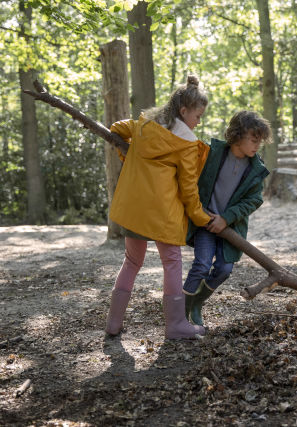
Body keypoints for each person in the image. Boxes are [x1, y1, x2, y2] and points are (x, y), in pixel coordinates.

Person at [105, 75, 214, 340]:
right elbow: (188, 190)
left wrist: (128, 153)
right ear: (184, 111)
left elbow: (117, 129)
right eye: (198, 116)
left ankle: (113, 323)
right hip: (162, 214)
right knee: (172, 262)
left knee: (132, 261)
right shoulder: (186, 144)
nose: (198, 122)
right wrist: (201, 217)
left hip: (134, 209)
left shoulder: (144, 125)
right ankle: (175, 324)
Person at [183, 110, 271, 327]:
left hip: (231, 228)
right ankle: (179, 313)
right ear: (237, 135)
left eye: (259, 141)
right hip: (204, 222)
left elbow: (254, 200)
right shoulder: (212, 152)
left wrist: (227, 218)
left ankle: (196, 304)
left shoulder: (256, 168)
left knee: (224, 269)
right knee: (202, 265)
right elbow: (190, 177)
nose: (256, 145)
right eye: (253, 139)